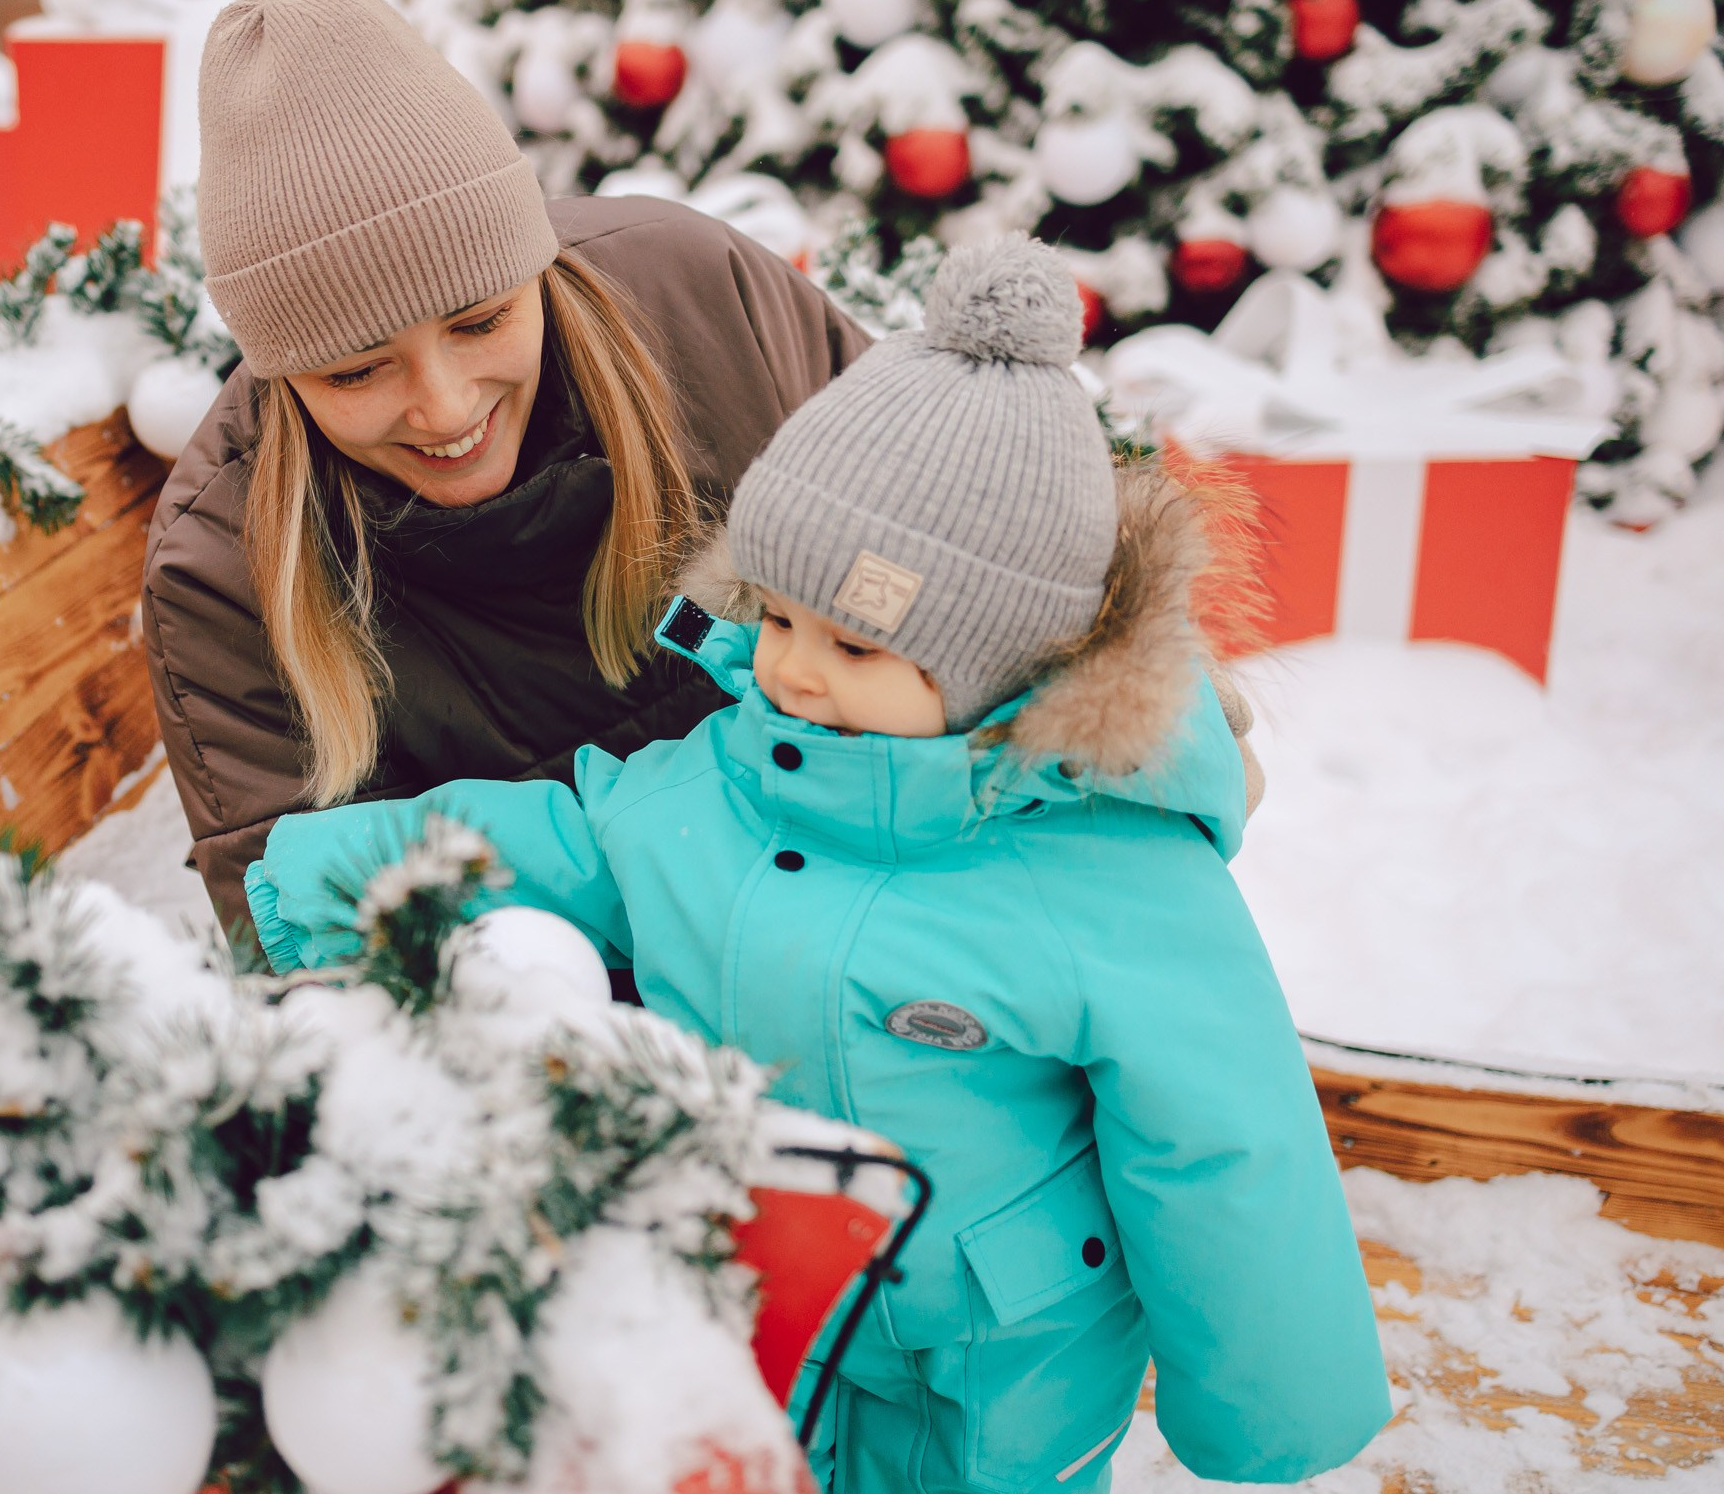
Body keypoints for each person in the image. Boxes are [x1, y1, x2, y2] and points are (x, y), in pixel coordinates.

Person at [243, 238, 1391, 1493]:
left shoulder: (1111, 875)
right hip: (754, 1305)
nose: (790, 670)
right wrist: (306, 877)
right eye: (780, 616)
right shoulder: (717, 784)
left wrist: (1272, 1411)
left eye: (854, 644)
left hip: (997, 1357)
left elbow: (1224, 1137)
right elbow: (540, 839)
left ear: (994, 665)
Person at [142, 0, 876, 937]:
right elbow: (326, 969)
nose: (445, 409)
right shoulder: (224, 570)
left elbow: (969, 587)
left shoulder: (706, 302)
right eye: (358, 373)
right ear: (282, 375)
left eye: (481, 319)